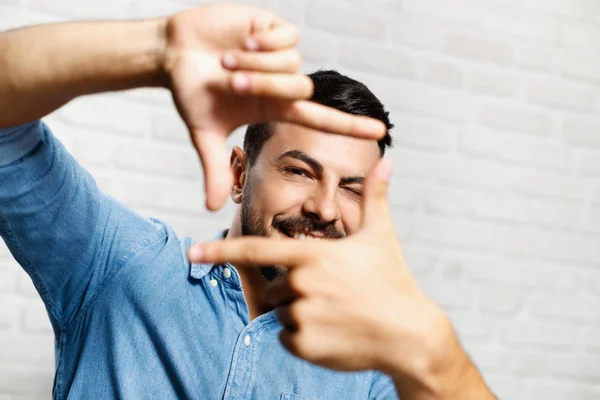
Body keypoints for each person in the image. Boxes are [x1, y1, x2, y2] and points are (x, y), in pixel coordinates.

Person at [0, 3, 495, 400]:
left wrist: (435, 350)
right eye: (300, 171)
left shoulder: (372, 369)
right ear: (240, 174)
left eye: (351, 187)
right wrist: (159, 49)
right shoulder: (119, 267)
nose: (324, 208)